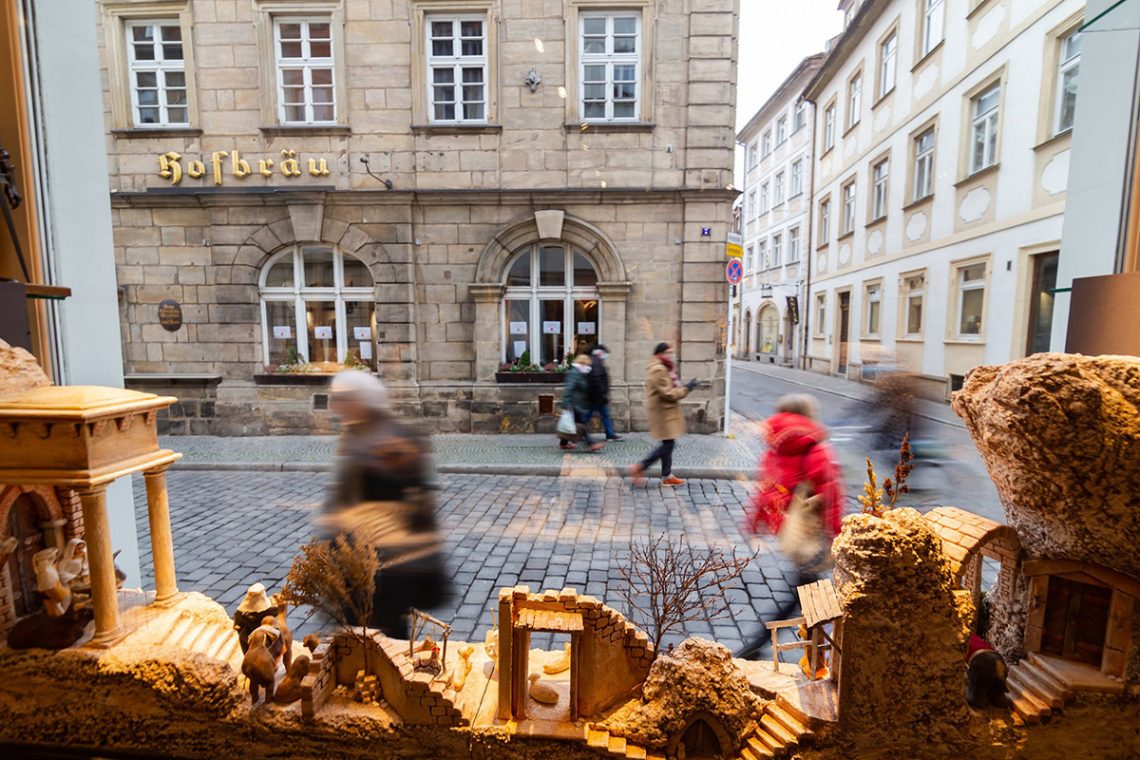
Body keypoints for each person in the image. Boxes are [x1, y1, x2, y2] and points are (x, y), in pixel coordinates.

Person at [323, 370, 449, 638]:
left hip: (390, 563)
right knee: (359, 634)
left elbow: (420, 502)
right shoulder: (355, 434)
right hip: (359, 560)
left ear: (363, 399)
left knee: (384, 635)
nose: (334, 407)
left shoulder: (394, 438)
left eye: (341, 399)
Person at [736, 394, 845, 660]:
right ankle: (764, 645)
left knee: (805, 592)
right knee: (807, 594)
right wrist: (838, 535)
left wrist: (755, 521)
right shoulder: (816, 449)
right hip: (813, 535)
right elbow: (831, 497)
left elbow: (766, 488)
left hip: (791, 531)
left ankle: (804, 649)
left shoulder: (775, 448)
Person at [628, 342, 697, 487]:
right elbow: (668, 393)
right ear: (659, 354)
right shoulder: (658, 369)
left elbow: (670, 386)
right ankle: (640, 467)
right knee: (668, 445)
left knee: (668, 443)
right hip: (664, 413)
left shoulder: (665, 368)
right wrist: (687, 389)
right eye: (668, 353)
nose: (670, 356)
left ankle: (666, 475)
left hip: (666, 412)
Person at [560, 354, 604, 452]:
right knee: (581, 425)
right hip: (573, 404)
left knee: (571, 424)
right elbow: (569, 388)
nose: (588, 367)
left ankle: (563, 443)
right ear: (582, 364)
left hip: (577, 403)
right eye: (587, 365)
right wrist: (567, 404)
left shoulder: (579, 373)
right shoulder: (575, 373)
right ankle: (591, 444)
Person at [584, 344, 623, 441]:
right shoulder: (596, 362)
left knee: (603, 415)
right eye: (605, 353)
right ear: (600, 352)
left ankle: (610, 433)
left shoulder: (594, 361)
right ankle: (578, 432)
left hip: (595, 396)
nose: (606, 355)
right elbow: (597, 379)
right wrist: (602, 393)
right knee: (587, 417)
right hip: (597, 396)